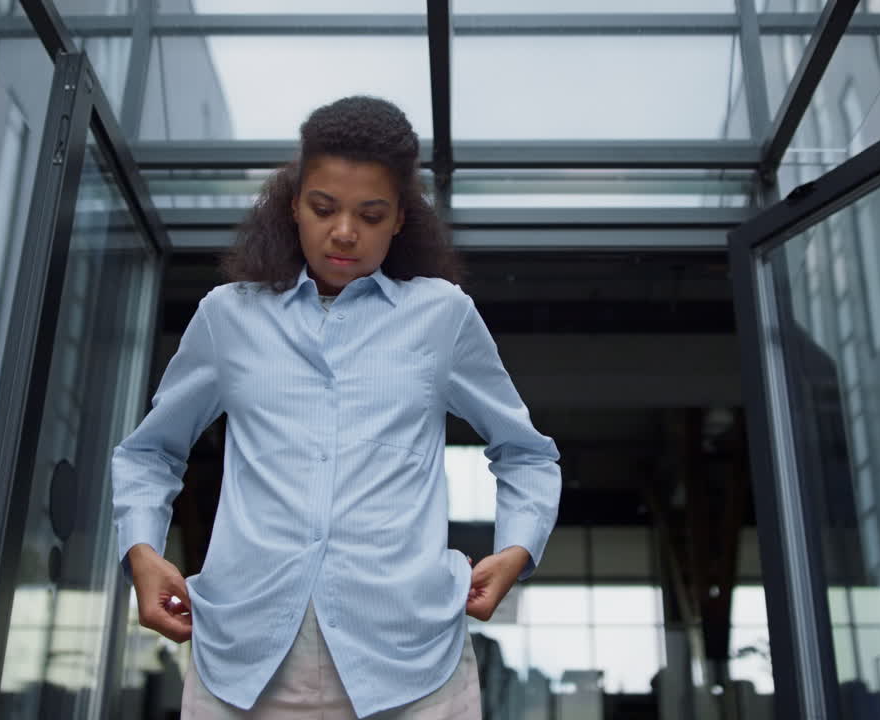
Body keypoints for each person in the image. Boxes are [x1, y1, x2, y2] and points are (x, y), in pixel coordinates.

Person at [111, 96, 561, 719]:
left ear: (401, 218)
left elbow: (527, 455)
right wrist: (142, 551)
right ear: (293, 203)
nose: (344, 230)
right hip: (243, 664)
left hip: (413, 668)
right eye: (324, 208)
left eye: (370, 214)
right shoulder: (228, 315)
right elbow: (149, 453)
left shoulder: (442, 316)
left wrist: (517, 547)